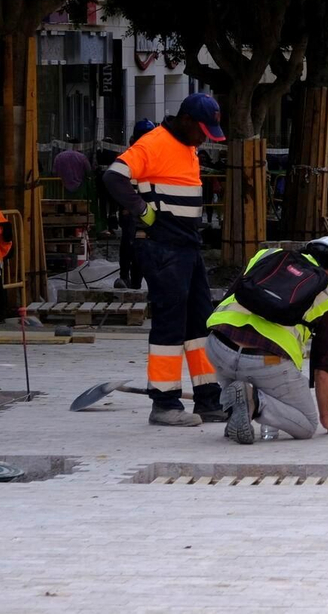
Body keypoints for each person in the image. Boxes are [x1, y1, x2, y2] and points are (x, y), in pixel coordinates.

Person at [103, 94, 226, 427]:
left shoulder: (187, 145)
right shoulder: (152, 143)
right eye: (202, 130)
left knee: (201, 322)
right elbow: (114, 177)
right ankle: (165, 402)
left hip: (186, 246)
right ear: (185, 120)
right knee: (171, 323)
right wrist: (146, 213)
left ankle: (208, 399)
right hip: (162, 248)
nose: (204, 138)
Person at [207, 235, 328, 443]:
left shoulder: (268, 255)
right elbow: (324, 366)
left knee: (238, 380)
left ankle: (239, 411)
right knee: (306, 423)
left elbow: (234, 293)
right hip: (267, 361)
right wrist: (326, 418)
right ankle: (254, 402)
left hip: (217, 345)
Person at [113, 119, 155, 290]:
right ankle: (125, 276)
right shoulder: (130, 156)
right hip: (131, 208)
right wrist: (124, 207)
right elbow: (119, 182)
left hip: (144, 207)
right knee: (129, 242)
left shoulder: (152, 155)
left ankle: (136, 281)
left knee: (141, 244)